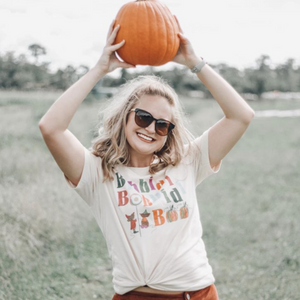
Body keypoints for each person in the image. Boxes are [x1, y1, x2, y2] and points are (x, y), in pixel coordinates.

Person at [39, 17, 255, 300]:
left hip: (199, 293)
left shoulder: (187, 162)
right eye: (143, 117)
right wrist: (100, 68)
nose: (151, 128)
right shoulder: (97, 172)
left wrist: (194, 62)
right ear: (124, 117)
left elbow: (241, 116)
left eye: (162, 124)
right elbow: (50, 127)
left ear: (168, 132)